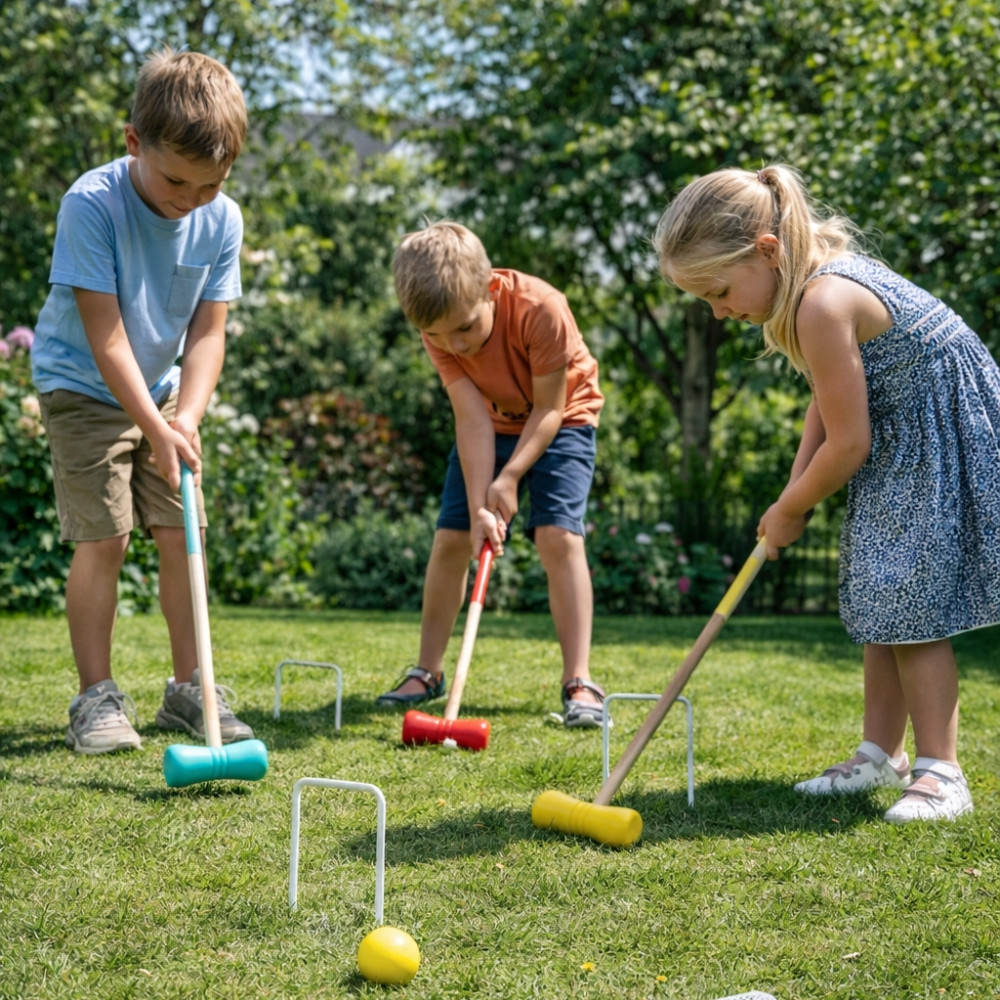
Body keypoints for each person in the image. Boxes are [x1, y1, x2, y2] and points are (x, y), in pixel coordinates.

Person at [653, 163, 1000, 823]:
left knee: (911, 602)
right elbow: (829, 400)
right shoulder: (811, 290)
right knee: (882, 592)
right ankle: (879, 753)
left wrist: (791, 507)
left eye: (720, 292)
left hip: (940, 441)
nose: (721, 311)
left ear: (766, 251)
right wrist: (794, 490)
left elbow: (849, 444)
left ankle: (941, 772)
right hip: (904, 441)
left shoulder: (822, 300)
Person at [32, 49, 255, 754]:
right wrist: (153, 428)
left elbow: (209, 333)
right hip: (83, 385)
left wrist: (182, 417)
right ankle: (94, 699)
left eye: (210, 185)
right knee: (108, 535)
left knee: (182, 532)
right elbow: (108, 337)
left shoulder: (221, 220)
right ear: (134, 142)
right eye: (177, 181)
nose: (190, 199)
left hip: (164, 395)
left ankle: (191, 689)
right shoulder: (92, 204)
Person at [375, 221, 608, 727]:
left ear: (491, 289)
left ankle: (580, 681)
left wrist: (512, 477)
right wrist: (484, 501)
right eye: (436, 335)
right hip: (491, 421)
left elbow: (548, 409)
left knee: (557, 537)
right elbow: (472, 418)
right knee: (452, 538)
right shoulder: (437, 322)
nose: (452, 344)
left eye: (464, 328)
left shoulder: (541, 308)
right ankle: (427, 671)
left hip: (563, 417)